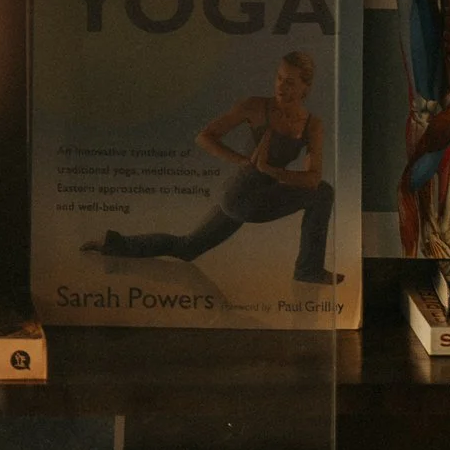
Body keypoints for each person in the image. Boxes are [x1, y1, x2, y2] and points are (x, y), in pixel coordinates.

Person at [87, 47, 337, 286]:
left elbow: (312, 179)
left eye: (290, 82)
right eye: (279, 78)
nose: (281, 86)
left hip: (262, 194)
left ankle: (112, 242)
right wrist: (243, 161)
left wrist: (272, 171)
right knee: (324, 193)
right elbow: (205, 137)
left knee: (188, 248)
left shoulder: (312, 125)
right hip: (240, 194)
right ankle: (308, 270)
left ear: (306, 87)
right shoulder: (255, 106)